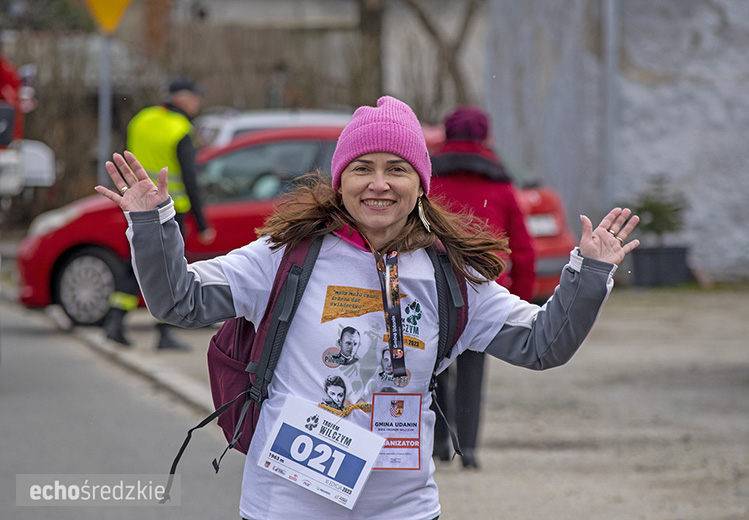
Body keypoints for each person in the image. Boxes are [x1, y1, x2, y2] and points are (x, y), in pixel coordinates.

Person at [96, 95, 639, 520]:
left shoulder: (451, 276)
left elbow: (543, 344)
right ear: (340, 182)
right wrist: (152, 225)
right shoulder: (286, 258)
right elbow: (178, 300)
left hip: (404, 508)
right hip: (286, 506)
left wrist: (588, 276)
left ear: (421, 185)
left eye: (397, 169)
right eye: (362, 168)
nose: (379, 184)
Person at [429, 105, 536, 469]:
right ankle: (469, 448)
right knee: (473, 368)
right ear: (486, 138)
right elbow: (523, 249)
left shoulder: (427, 181)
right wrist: (517, 299)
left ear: (446, 135)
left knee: (434, 366)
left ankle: (439, 441)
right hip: (482, 291)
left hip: (434, 290)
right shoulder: (501, 186)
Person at [102, 76, 215, 350]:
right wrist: (202, 224)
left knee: (136, 266)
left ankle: (115, 321)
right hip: (169, 211)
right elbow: (190, 180)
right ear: (182, 99)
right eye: (195, 97)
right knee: (170, 272)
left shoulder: (141, 119)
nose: (197, 103)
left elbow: (127, 158)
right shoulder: (180, 129)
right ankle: (165, 334)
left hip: (138, 207)